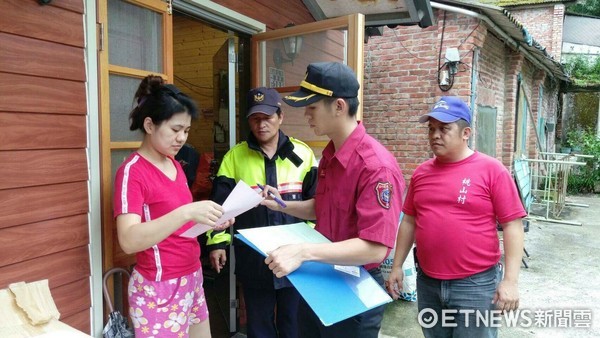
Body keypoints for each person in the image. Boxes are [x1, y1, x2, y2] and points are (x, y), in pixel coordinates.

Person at [261, 62, 405, 338]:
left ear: (339, 106)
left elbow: (375, 248)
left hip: (355, 284)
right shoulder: (329, 156)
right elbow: (321, 208)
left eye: (312, 107)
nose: (306, 115)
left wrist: (303, 252)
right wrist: (281, 204)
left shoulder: (375, 167)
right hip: (321, 277)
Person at [386, 96, 526, 338]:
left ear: (466, 133)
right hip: (428, 281)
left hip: (476, 285)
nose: (435, 135)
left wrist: (510, 281)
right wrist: (397, 265)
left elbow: (512, 225)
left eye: (444, 128)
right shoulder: (421, 173)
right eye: (431, 129)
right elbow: (409, 221)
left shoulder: (491, 170)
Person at [113, 75, 234, 338]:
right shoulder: (132, 172)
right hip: (159, 287)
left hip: (191, 275)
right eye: (175, 129)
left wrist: (209, 221)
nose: (182, 138)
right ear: (149, 125)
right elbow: (129, 240)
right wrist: (187, 211)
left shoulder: (174, 164)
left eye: (187, 131)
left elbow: (179, 227)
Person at [206, 87, 318, 338]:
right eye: (255, 118)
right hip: (254, 258)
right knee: (259, 326)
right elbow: (219, 207)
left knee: (294, 323)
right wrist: (218, 243)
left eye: (267, 118)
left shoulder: (303, 154)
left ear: (280, 117)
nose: (261, 124)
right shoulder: (235, 157)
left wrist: (309, 246)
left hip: (294, 257)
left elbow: (316, 205)